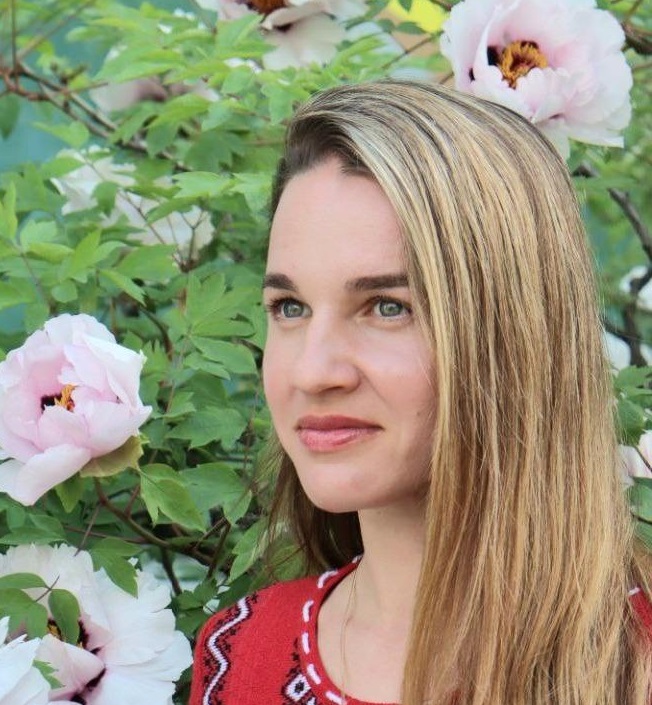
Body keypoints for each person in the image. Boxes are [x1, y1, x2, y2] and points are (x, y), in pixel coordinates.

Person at [189, 80, 652, 705]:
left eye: (387, 307)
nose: (312, 372)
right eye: (290, 307)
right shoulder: (242, 655)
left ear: (514, 333)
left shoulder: (636, 664)